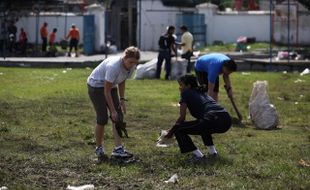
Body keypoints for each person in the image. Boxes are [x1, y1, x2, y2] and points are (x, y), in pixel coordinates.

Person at [87, 46, 140, 162]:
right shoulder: (114, 66)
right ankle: (99, 148)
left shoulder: (130, 67)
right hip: (96, 86)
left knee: (118, 117)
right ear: (124, 57)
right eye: (130, 62)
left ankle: (118, 149)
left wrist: (122, 99)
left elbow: (122, 80)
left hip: (110, 86)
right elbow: (106, 91)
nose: (132, 65)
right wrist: (113, 110)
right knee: (102, 118)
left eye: (134, 63)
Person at [165, 74, 232, 162]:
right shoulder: (202, 92)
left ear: (188, 86)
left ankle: (199, 156)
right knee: (203, 125)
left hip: (212, 118)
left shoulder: (185, 93)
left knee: (179, 129)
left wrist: (171, 131)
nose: (179, 88)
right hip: (226, 119)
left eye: (181, 85)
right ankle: (213, 153)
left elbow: (182, 118)